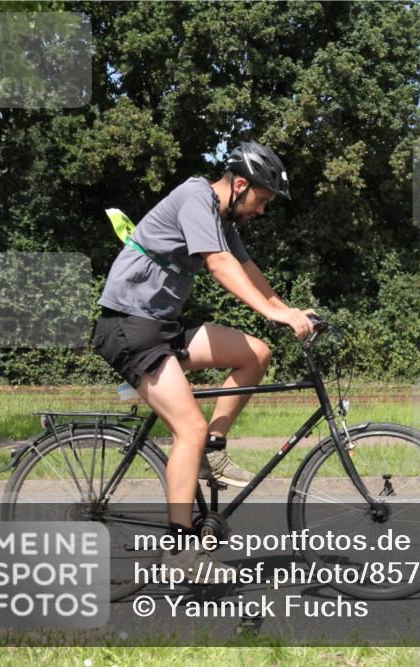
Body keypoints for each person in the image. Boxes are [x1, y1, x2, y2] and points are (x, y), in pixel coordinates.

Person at [92, 141, 316, 581]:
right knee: (187, 427)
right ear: (238, 185)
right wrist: (272, 313)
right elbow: (219, 265)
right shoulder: (196, 198)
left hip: (163, 325)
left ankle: (211, 451)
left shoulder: (222, 216)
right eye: (262, 200)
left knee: (256, 354)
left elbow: (246, 268)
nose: (262, 211)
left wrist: (289, 310)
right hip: (129, 326)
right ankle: (179, 552)